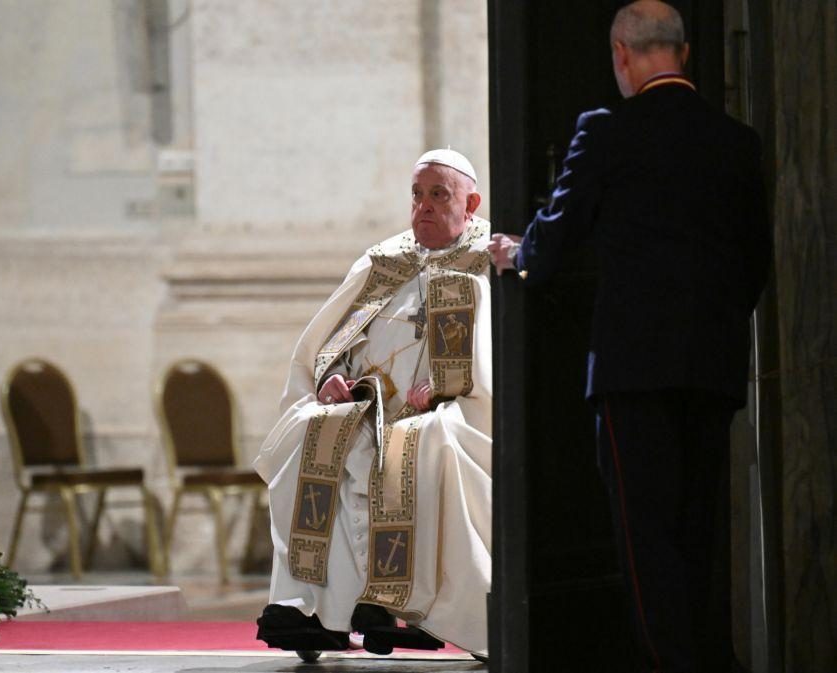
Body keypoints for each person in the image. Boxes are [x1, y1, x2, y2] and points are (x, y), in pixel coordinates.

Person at [489, 2, 770, 672]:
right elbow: (755, 260)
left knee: (645, 538)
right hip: (712, 364)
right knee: (695, 529)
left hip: (631, 368)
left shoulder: (606, 129)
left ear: (620, 53)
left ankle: (675, 663)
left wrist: (515, 253)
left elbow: (552, 241)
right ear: (685, 53)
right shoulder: (736, 139)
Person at [255, 149, 492, 658]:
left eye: (438, 195)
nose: (423, 207)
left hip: (449, 410)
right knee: (311, 431)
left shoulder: (487, 261)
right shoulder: (386, 261)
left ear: (470, 202)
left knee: (427, 443)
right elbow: (332, 341)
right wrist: (332, 379)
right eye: (416, 195)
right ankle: (313, 611)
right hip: (367, 408)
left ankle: (407, 608)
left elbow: (496, 358)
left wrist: (452, 386)